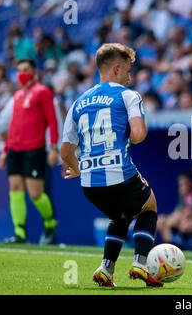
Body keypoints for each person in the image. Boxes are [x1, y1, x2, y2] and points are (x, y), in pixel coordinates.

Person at [60, 43, 163, 288]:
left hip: (89, 184)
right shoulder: (128, 95)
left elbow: (65, 151)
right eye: (128, 71)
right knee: (149, 206)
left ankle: (106, 269)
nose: (130, 77)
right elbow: (138, 135)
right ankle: (140, 263)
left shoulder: (78, 102)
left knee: (122, 214)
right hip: (119, 174)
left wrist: (78, 168)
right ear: (116, 69)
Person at [0, 59, 59, 245]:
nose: (21, 73)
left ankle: (50, 223)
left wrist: (53, 147)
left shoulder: (43, 92)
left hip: (35, 149)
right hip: (15, 149)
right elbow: (13, 125)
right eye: (19, 70)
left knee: (35, 194)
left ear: (34, 72)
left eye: (25, 70)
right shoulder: (16, 96)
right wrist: (6, 150)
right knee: (15, 189)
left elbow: (52, 121)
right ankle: (19, 233)